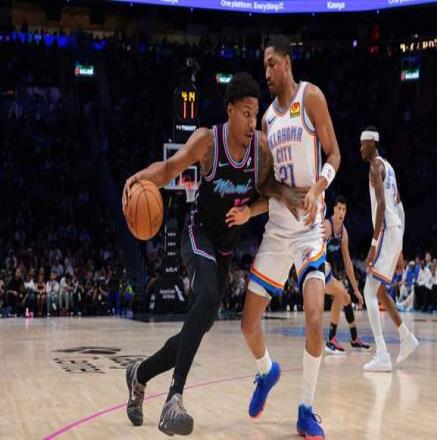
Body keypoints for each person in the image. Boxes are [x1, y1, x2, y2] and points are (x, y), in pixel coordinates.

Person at [122, 72, 302, 436]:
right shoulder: (208, 141)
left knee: (200, 324)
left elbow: (268, 188)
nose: (252, 121)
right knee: (205, 297)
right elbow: (169, 169)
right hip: (198, 233)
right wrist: (139, 178)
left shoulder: (261, 150)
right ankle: (174, 400)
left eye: (255, 114)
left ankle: (140, 373)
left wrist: (274, 201)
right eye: (246, 113)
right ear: (230, 110)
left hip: (225, 248)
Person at [240, 35, 341, 439]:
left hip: (309, 230)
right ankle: (266, 372)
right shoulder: (266, 120)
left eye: (271, 64)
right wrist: (266, 201)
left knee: (315, 318)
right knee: (248, 325)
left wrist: (317, 188)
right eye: (263, 66)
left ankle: (305, 410)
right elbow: (266, 185)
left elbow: (334, 154)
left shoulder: (310, 97)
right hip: (277, 229)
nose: (266, 72)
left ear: (286, 62)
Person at [359, 126, 419, 372]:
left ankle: (382, 353)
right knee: (380, 291)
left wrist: (374, 244)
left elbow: (383, 204)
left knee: (368, 291)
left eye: (363, 144)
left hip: (385, 231)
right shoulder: (390, 167)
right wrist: (400, 248)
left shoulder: (375, 167)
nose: (360, 148)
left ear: (373, 142)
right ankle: (406, 336)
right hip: (395, 231)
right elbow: (400, 207)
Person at [323, 195, 370, 355]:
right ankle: (332, 340)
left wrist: (357, 290)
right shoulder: (327, 226)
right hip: (317, 269)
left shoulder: (343, 233)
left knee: (345, 297)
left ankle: (351, 339)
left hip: (329, 272)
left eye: (344, 209)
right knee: (342, 294)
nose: (341, 212)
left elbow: (348, 263)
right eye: (339, 208)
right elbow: (317, 248)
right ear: (334, 210)